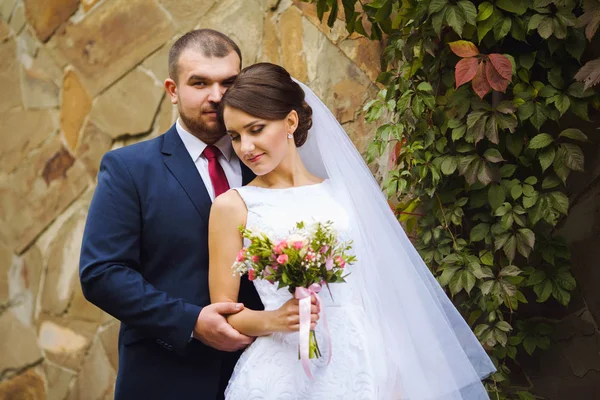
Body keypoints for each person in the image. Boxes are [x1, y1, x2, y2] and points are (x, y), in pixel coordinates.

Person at [208, 63, 497, 399]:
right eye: (235, 136)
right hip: (283, 372)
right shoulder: (232, 206)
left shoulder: (344, 194)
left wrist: (398, 369)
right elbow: (225, 313)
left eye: (255, 129)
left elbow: (382, 292)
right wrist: (274, 319)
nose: (245, 147)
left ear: (290, 121)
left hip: (367, 362)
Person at [79, 29, 268, 399]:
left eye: (229, 82)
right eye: (200, 83)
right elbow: (101, 273)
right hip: (167, 377)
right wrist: (192, 322)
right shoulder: (129, 168)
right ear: (172, 90)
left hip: (265, 375)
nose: (217, 96)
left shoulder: (267, 165)